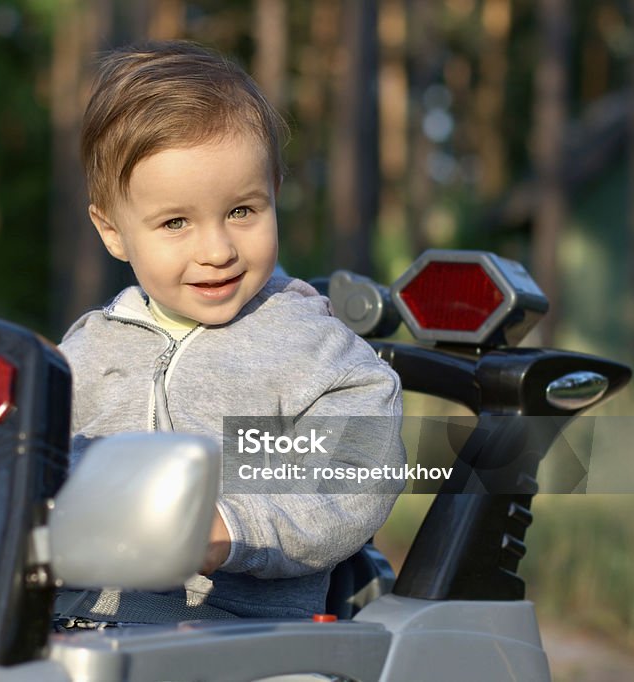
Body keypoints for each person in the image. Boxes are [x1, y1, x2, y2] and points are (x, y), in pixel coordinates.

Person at [58, 40, 405, 623]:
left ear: (275, 191)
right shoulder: (87, 352)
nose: (217, 250)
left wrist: (229, 529)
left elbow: (352, 479)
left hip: (243, 641)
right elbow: (29, 472)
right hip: (75, 627)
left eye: (242, 211)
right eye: (175, 222)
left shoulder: (315, 358)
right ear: (112, 230)